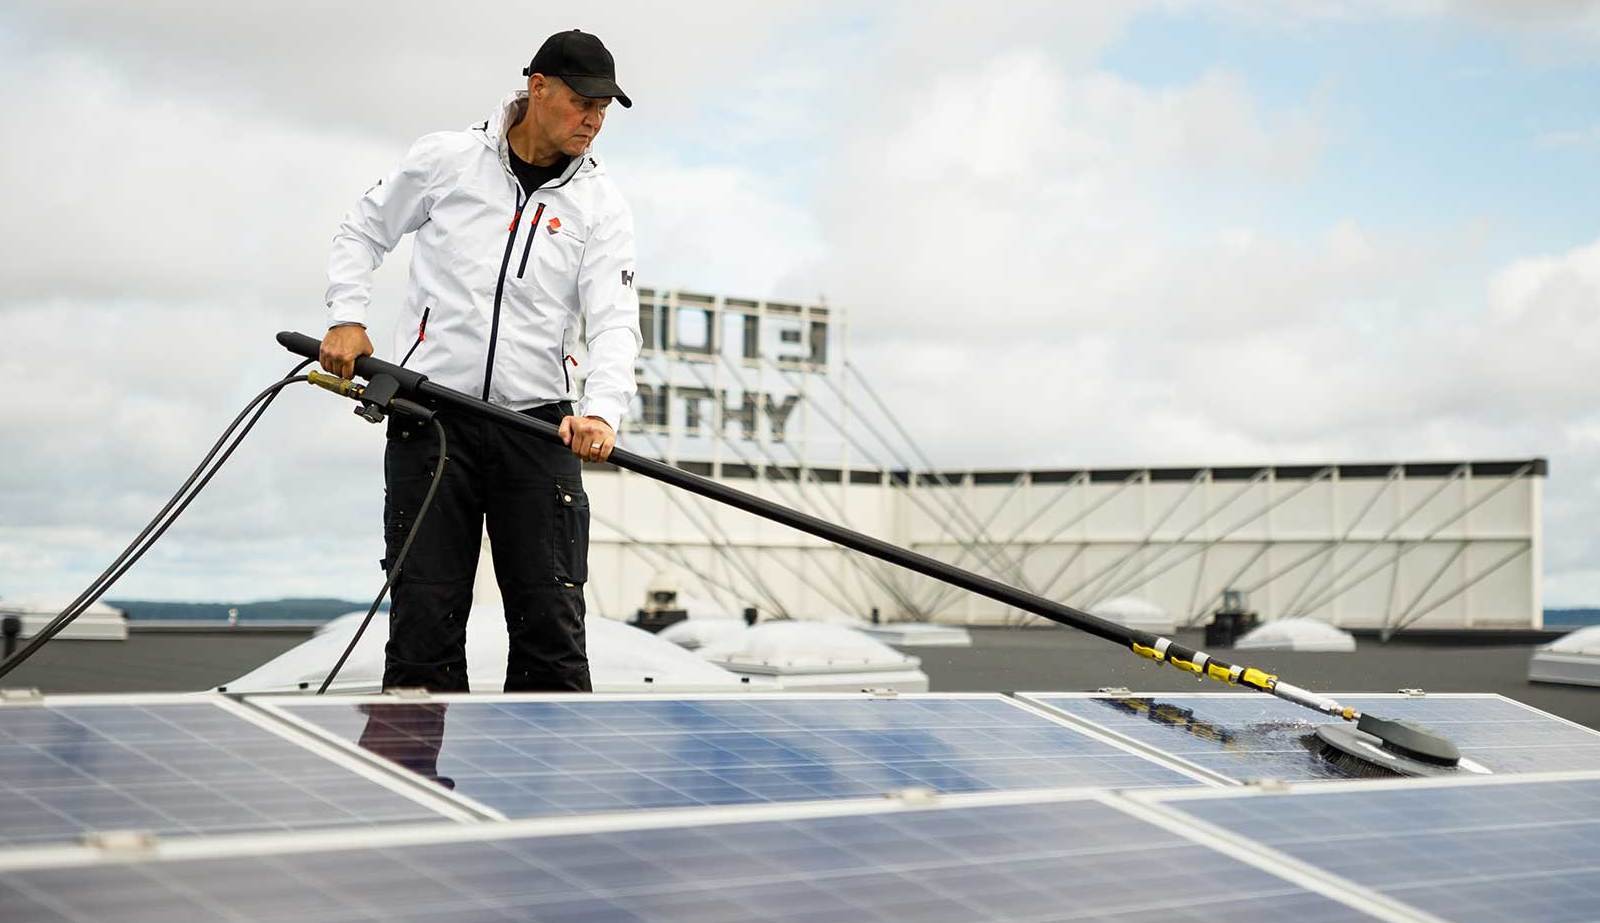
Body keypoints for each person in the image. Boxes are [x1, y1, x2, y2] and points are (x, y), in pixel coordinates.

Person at [319, 29, 641, 692]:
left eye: (605, 108)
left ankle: (542, 796)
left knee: (552, 633)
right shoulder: (447, 159)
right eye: (583, 100)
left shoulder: (602, 204)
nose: (594, 119)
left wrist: (602, 411)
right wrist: (347, 317)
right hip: (430, 419)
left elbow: (615, 322)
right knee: (422, 631)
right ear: (538, 87)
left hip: (539, 428)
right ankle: (420, 794)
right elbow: (363, 229)